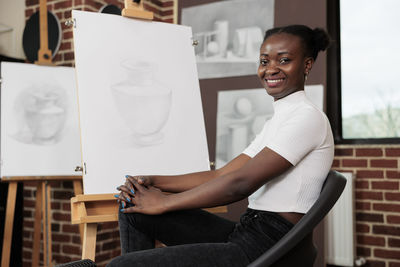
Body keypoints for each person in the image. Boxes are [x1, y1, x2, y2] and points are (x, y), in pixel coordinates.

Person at [108, 24, 334, 267]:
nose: (271, 69)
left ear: (307, 65)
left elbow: (240, 184)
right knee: (132, 206)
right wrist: (154, 180)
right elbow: (223, 174)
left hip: (269, 245)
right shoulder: (280, 120)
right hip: (247, 231)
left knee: (121, 266)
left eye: (284, 60)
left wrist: (164, 202)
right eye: (264, 61)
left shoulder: (307, 117)